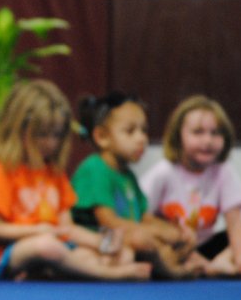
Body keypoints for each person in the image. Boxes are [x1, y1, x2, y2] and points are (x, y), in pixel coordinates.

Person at [0, 80, 151, 281]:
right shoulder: (0, 171)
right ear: (19, 130)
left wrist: (102, 243)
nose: (51, 143)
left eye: (57, 135)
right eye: (42, 135)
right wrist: (36, 230)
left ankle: (46, 272)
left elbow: (66, 228)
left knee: (123, 255)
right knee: (46, 246)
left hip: (56, 245)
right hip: (8, 253)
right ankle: (107, 274)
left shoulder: (54, 173)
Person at [140, 95, 241, 279]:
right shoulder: (164, 172)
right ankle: (209, 266)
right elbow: (139, 216)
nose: (208, 141)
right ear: (178, 136)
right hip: (174, 247)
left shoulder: (222, 171)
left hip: (206, 247)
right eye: (198, 132)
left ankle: (222, 261)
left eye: (215, 133)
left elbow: (235, 222)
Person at [71, 92, 202, 279]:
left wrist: (174, 231)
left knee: (186, 237)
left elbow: (144, 217)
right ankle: (169, 270)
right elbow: (108, 222)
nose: (141, 139)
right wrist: (157, 233)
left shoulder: (128, 175)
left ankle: (169, 261)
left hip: (126, 237)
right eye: (130, 131)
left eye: (144, 130)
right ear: (101, 137)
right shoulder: (94, 168)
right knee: (142, 239)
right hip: (100, 240)